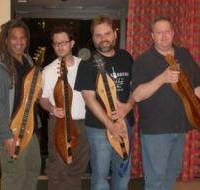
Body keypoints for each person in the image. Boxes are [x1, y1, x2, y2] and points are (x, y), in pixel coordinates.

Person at [131, 17, 200, 190]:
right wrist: (162, 78)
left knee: (171, 174)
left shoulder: (184, 54)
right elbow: (137, 96)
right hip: (156, 131)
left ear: (173, 33)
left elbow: (197, 85)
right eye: (159, 33)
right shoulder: (143, 60)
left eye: (167, 32)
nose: (163, 36)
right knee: (156, 179)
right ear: (152, 36)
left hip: (180, 127)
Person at [74, 15, 135, 190]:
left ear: (115, 34)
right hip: (99, 128)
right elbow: (89, 98)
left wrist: (128, 106)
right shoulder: (87, 64)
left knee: (123, 172)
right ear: (93, 38)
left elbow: (134, 88)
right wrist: (110, 124)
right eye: (98, 35)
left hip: (124, 125)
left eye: (107, 33)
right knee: (100, 177)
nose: (103, 39)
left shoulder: (126, 57)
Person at [0, 19, 41, 190]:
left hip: (30, 129)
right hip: (11, 132)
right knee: (14, 177)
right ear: (5, 40)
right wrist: (6, 136)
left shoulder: (28, 61)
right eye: (14, 38)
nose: (19, 42)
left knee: (32, 170)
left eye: (22, 38)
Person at [39, 26, 89, 190]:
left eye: (64, 42)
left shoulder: (84, 66)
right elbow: (43, 100)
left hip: (82, 123)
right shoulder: (48, 70)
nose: (60, 46)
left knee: (77, 167)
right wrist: (52, 109)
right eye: (56, 43)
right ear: (53, 46)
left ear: (72, 43)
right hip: (58, 123)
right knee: (58, 167)